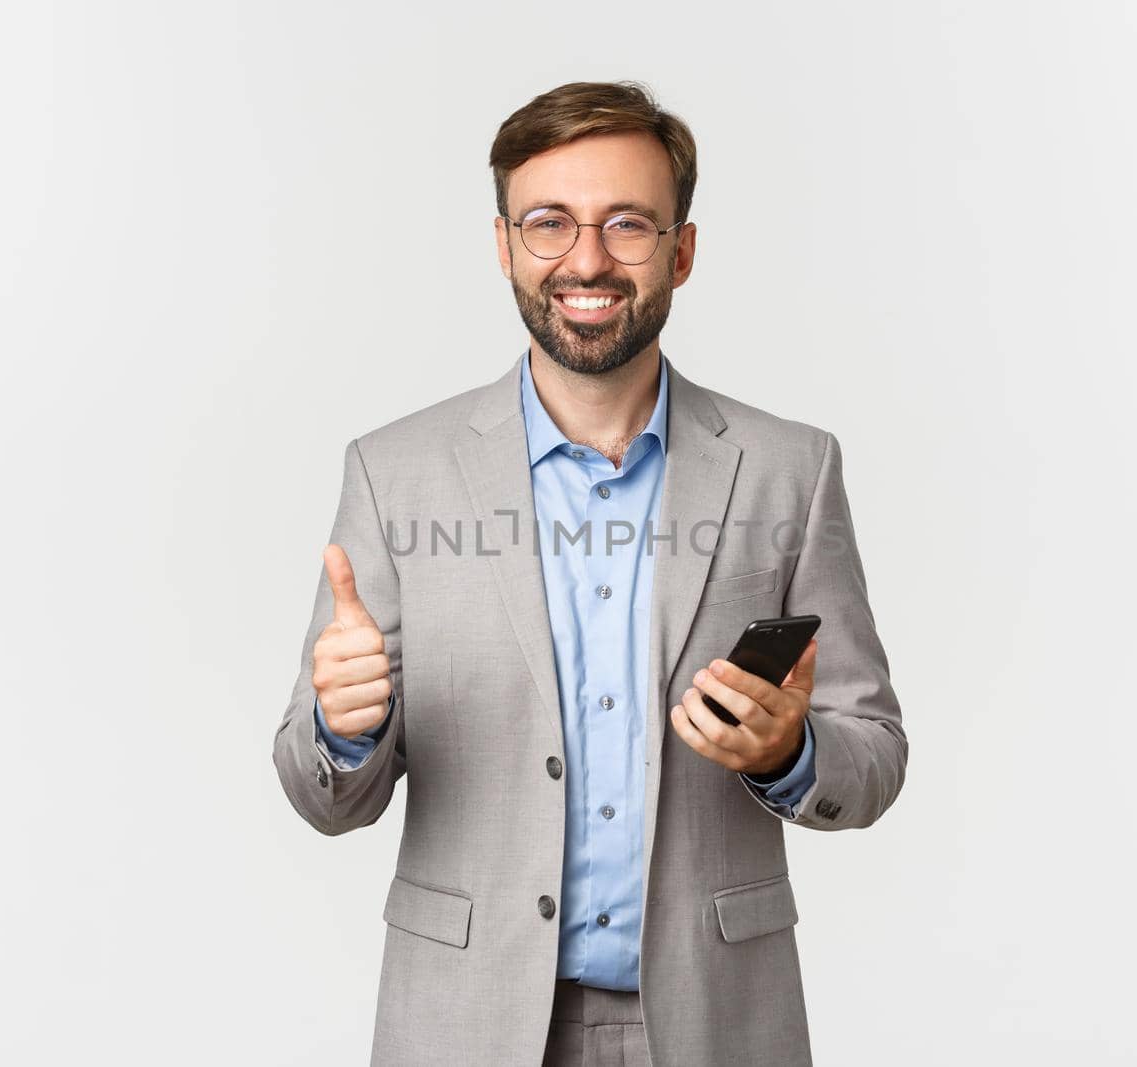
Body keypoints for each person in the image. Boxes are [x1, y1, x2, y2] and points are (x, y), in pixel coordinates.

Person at [271, 79, 908, 1066]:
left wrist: (790, 751)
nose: (587, 260)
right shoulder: (392, 472)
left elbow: (873, 754)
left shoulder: (791, 467)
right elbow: (320, 796)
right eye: (548, 224)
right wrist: (342, 731)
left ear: (681, 251)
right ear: (502, 246)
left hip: (716, 1021)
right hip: (465, 1020)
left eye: (627, 225)